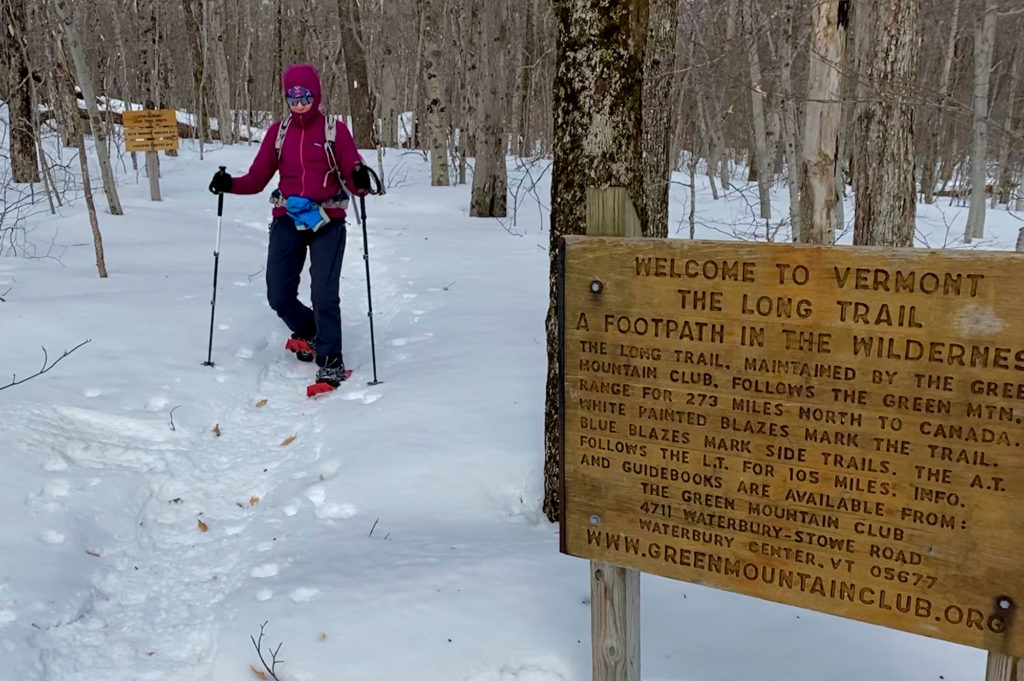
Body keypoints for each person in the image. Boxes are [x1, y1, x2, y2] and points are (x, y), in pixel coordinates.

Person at [209, 64, 372, 390]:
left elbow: (356, 179)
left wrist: (360, 179)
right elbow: (256, 180)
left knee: (324, 293)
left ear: (317, 95)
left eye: (305, 96)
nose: (299, 102)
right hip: (288, 217)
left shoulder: (334, 131)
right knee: (278, 294)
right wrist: (229, 184)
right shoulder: (278, 133)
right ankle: (311, 331)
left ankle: (330, 364)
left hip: (328, 219)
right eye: (292, 96)